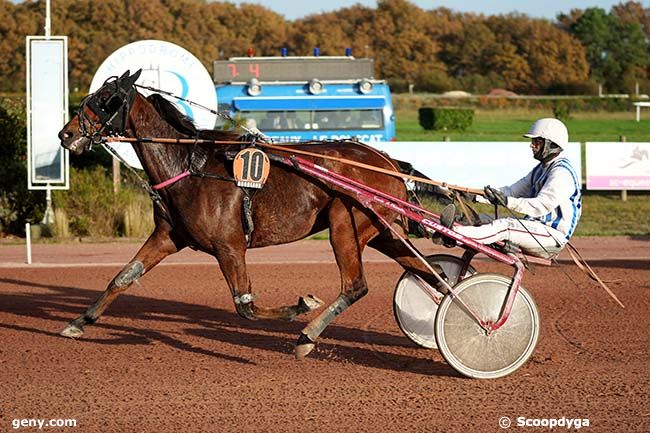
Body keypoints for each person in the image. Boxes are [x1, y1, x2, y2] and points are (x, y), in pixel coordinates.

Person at [442, 118, 582, 259]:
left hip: (552, 237)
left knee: (506, 225)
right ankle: (434, 228)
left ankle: (453, 234)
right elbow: (510, 192)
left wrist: (507, 201)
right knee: (481, 219)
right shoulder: (540, 169)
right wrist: (472, 195)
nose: (531, 146)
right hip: (536, 229)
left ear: (552, 144)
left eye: (536, 142)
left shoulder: (561, 173)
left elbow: (539, 206)